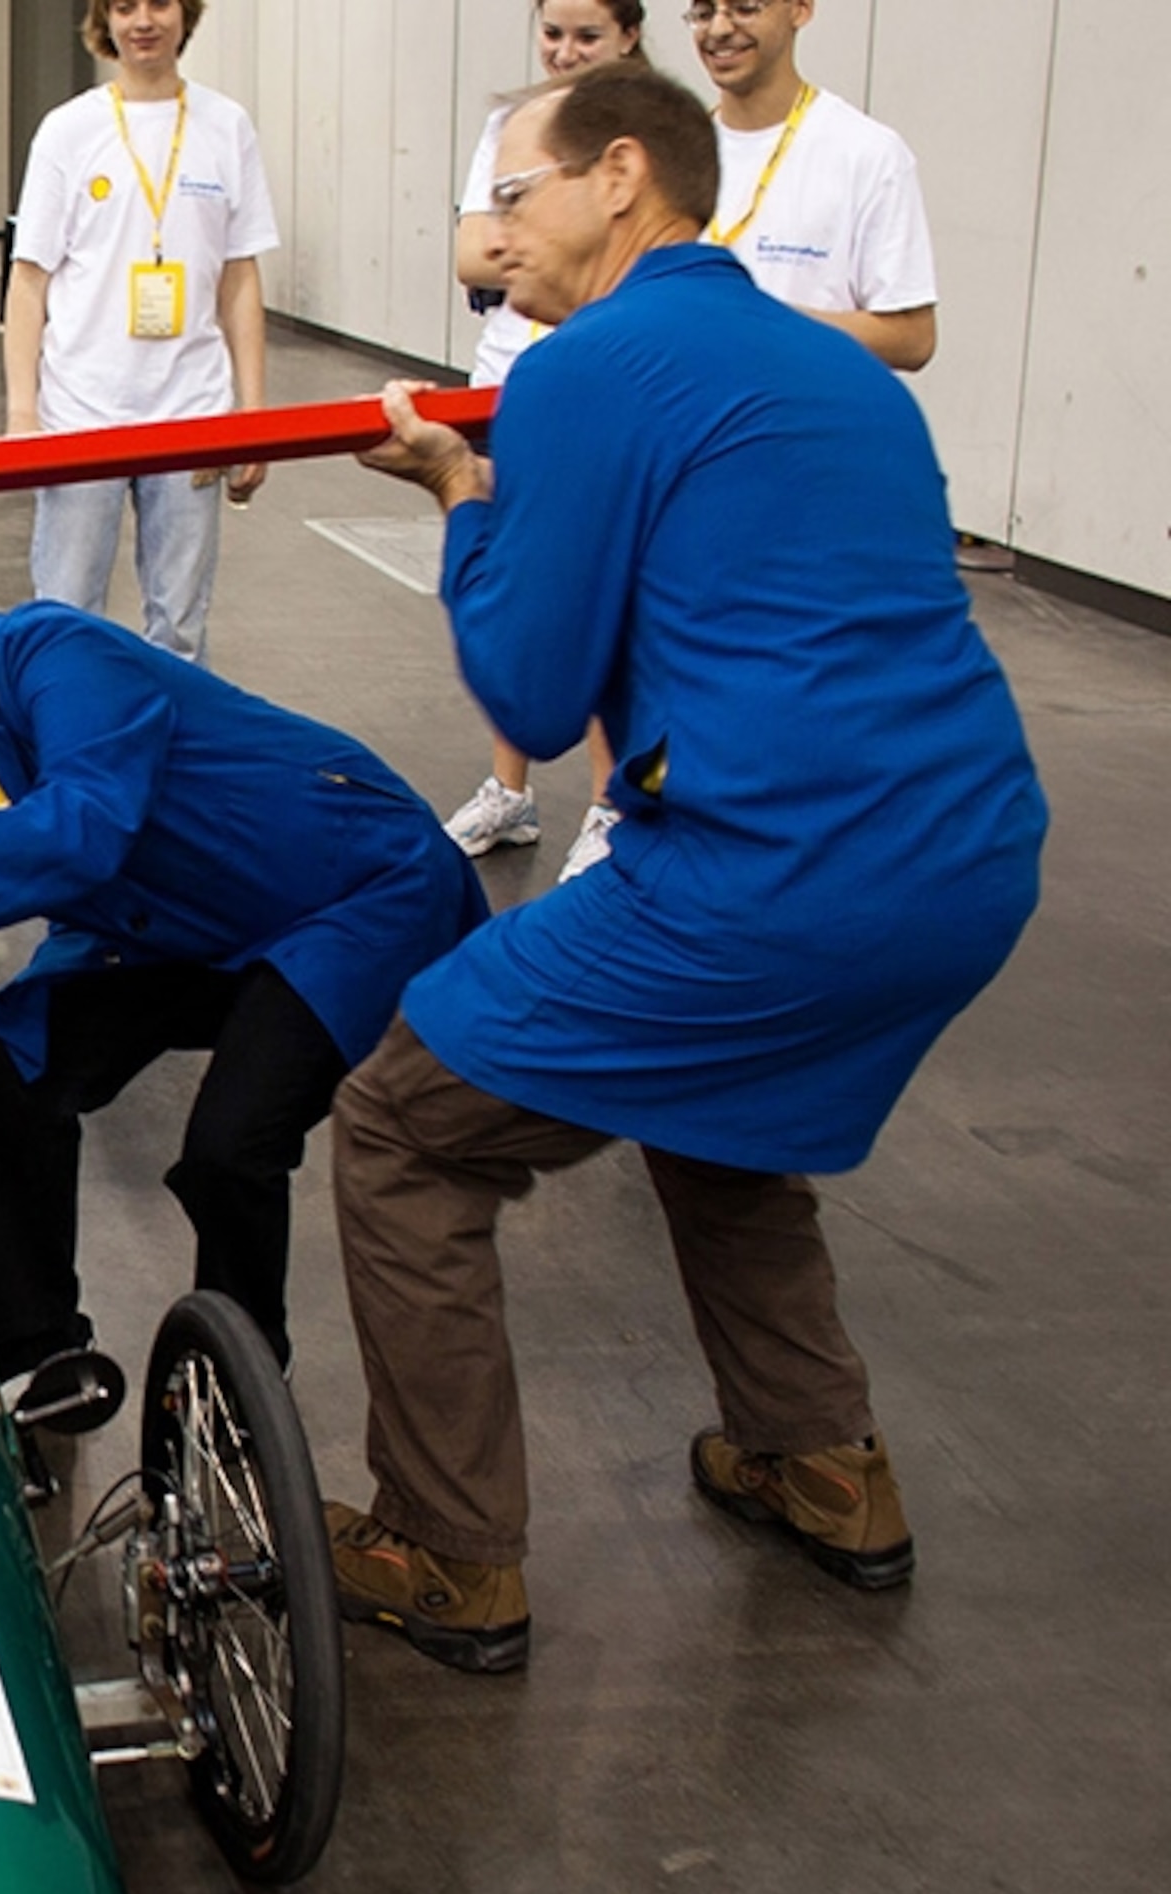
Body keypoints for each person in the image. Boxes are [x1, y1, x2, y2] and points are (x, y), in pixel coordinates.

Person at [339, 64, 1043, 1672]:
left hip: (771, 875)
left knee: (400, 1124)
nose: (491, 229)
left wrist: (467, 501)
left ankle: (446, 1547)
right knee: (713, 1089)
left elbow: (528, 688)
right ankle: (817, 1457)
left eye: (513, 193)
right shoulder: (836, 369)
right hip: (967, 854)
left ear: (622, 175)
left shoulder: (594, 368)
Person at [0, 528, 486, 1392]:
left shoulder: (58, 651)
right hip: (177, 927)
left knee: (231, 1147)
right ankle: (36, 1360)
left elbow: (85, 829)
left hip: (340, 893)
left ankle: (237, 1391)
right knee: (17, 1063)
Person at [436, 0, 643, 881]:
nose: (565, 52)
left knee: (602, 592)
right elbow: (471, 256)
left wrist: (519, 231)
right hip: (508, 381)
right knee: (517, 581)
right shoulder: (510, 125)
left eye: (587, 36)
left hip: (603, 383)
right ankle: (509, 789)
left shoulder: (645, 127)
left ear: (629, 37)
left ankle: (609, 801)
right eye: (552, 33)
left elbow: (612, 257)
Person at [4, 0, 276, 664]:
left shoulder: (225, 125)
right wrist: (21, 413)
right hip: (81, 413)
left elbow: (239, 279)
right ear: (104, 19)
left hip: (191, 412)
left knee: (180, 624)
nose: (142, 21)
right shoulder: (69, 131)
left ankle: (173, 760)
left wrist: (254, 413)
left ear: (186, 14)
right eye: (124, 6)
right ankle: (66, 752)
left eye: (159, 3)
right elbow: (30, 281)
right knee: (63, 616)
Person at [691, 0, 936, 372]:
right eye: (704, 12)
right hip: (687, 418)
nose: (720, 29)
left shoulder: (867, 152)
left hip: (802, 420)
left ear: (800, 10)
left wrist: (772, 323)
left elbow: (913, 339)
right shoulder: (672, 151)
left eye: (744, 8)